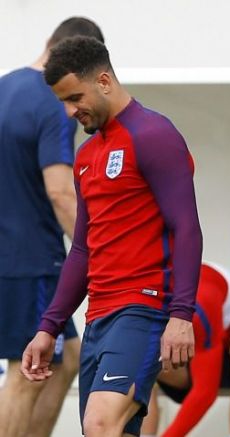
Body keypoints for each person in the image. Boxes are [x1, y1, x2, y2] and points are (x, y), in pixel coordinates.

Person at [20, 36, 203, 437]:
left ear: (104, 80)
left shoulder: (154, 135)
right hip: (98, 317)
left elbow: (186, 226)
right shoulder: (86, 157)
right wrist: (48, 328)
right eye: (63, 102)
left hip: (144, 309)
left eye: (75, 98)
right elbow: (84, 248)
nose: (70, 112)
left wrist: (181, 314)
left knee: (100, 423)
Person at [0, 17, 104, 437]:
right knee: (25, 374)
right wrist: (101, 250)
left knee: (69, 357)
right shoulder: (55, 100)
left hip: (12, 255)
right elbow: (61, 193)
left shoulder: (4, 87)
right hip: (31, 259)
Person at [140, 262, 230, 437]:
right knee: (137, 357)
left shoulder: (199, 308)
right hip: (195, 352)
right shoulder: (144, 300)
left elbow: (205, 392)